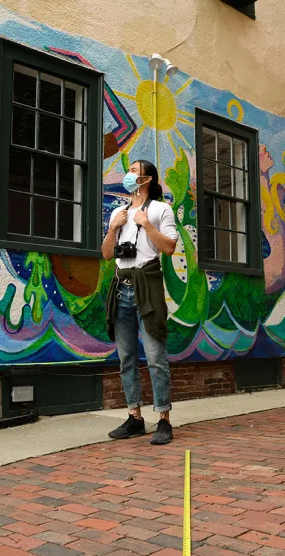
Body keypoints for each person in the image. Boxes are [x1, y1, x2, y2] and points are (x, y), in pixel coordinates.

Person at [102, 160, 178, 445]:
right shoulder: (117, 213)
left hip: (147, 286)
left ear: (146, 178)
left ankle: (163, 420)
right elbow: (107, 255)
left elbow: (169, 247)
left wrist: (145, 224)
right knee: (126, 357)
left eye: (133, 170)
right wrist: (114, 228)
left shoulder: (161, 209)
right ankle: (135, 417)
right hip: (121, 287)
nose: (128, 174)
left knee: (156, 356)